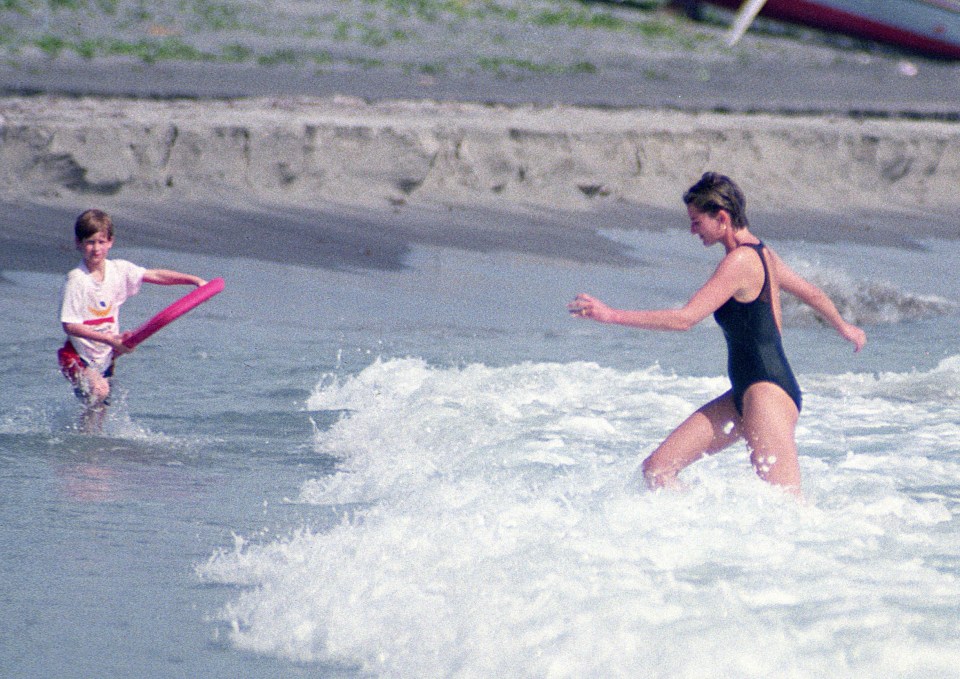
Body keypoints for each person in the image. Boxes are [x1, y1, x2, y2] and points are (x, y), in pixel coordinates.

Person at [568, 172, 866, 496]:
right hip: (744, 394)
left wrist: (612, 315)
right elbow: (812, 293)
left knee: (785, 507)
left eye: (697, 222)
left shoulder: (741, 261)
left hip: (768, 393)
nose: (692, 230)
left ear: (721, 217)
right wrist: (844, 327)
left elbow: (685, 319)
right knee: (657, 470)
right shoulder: (763, 253)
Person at [58, 209, 207, 432]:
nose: (96, 248)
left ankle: (85, 458)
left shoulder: (119, 270)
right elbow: (69, 325)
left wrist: (193, 281)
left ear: (110, 242)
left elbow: (154, 275)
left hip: (105, 356)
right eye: (90, 242)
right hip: (76, 355)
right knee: (99, 392)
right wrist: (110, 340)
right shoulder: (77, 280)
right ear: (78, 243)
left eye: (101, 241)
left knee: (97, 416)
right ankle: (77, 447)